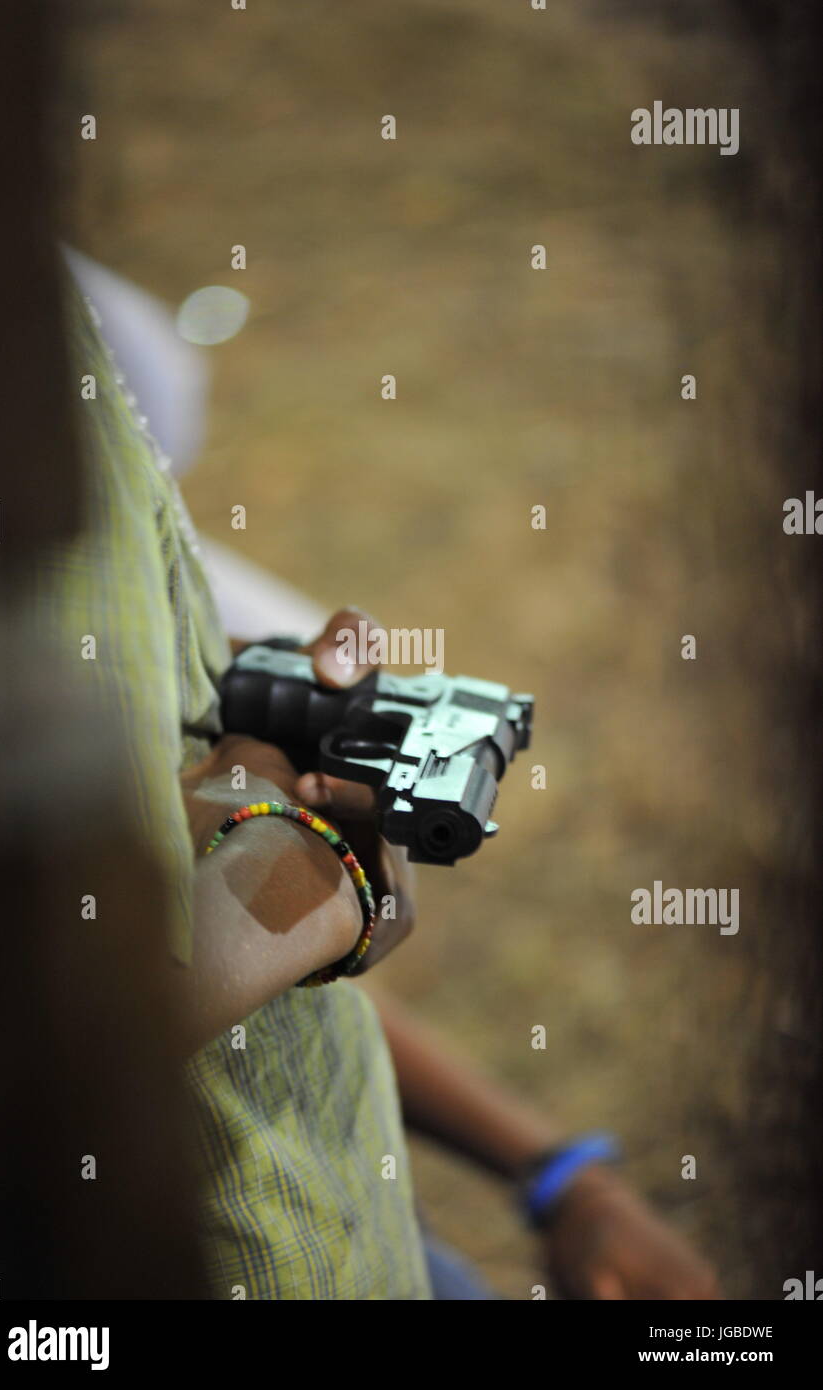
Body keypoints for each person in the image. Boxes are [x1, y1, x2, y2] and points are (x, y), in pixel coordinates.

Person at [40, 262, 719, 1299]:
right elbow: (47, 1052)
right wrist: (293, 871)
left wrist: (558, 1173)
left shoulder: (42, 300)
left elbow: (232, 865)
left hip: (354, 1224)